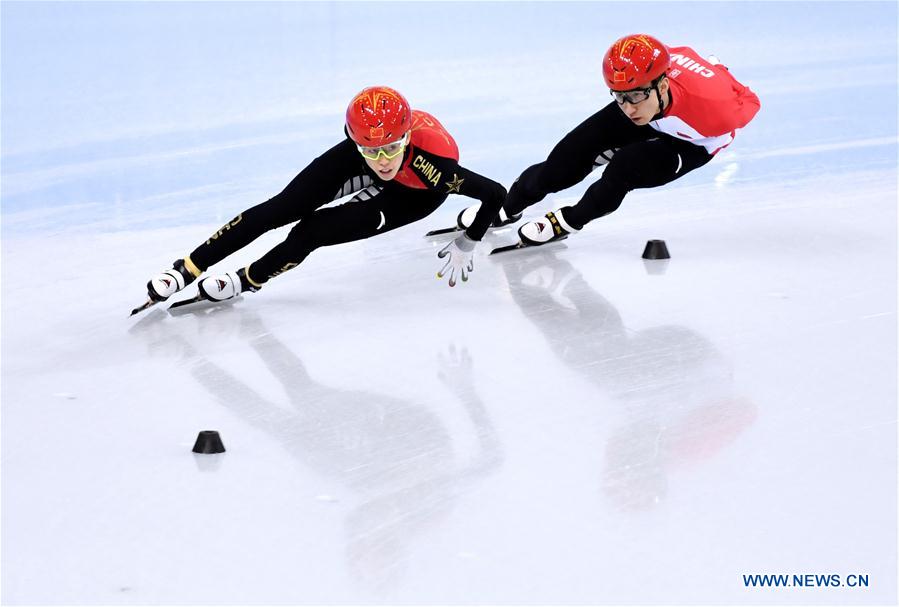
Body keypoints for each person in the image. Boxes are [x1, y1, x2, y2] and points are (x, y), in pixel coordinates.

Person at [145, 85, 506, 304]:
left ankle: (246, 280)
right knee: (280, 209)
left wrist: (469, 240)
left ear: (406, 138)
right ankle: (186, 269)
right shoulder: (367, 146)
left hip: (414, 194)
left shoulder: (437, 168)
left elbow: (495, 193)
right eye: (371, 150)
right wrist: (370, 150)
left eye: (390, 149)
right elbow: (376, 150)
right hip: (364, 155)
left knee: (312, 231)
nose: (382, 162)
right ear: (354, 139)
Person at [456, 33, 761, 246]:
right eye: (619, 97)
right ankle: (510, 205)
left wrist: (720, 73)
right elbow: (673, 57)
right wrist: (634, 98)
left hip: (689, 141)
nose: (628, 108)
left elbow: (750, 100)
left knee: (624, 168)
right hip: (657, 113)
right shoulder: (637, 97)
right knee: (563, 162)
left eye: (636, 96)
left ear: (663, 84)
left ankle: (570, 220)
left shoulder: (716, 110)